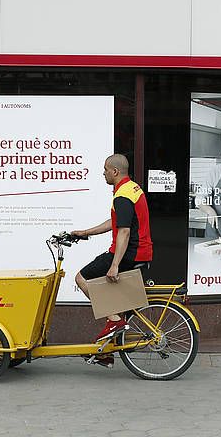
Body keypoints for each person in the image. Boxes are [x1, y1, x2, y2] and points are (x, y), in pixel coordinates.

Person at [72, 154, 153, 365]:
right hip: (141, 250)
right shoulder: (132, 189)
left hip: (130, 253)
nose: (103, 173)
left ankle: (114, 321)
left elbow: (124, 232)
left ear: (114, 172)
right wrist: (86, 232)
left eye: (105, 169)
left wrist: (115, 265)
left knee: (81, 278)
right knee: (111, 294)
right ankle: (106, 351)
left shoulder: (123, 195)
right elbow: (115, 221)